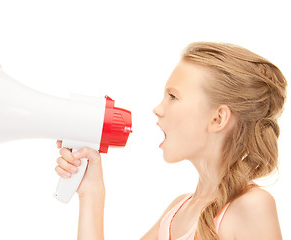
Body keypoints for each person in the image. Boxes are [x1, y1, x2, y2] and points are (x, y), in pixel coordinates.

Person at [55, 42, 287, 240]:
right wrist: (91, 192)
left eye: (173, 96)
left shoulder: (253, 206)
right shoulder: (176, 211)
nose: (158, 109)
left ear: (218, 118)